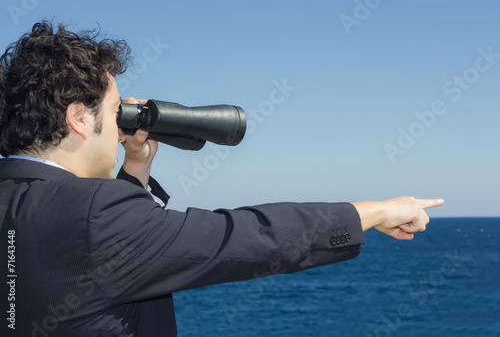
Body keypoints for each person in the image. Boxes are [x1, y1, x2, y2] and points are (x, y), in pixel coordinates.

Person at [0, 20, 444, 337]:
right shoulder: (96, 218)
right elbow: (244, 238)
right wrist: (376, 210)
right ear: (79, 117)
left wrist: (135, 170)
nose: (121, 129)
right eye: (117, 111)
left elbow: (91, 258)